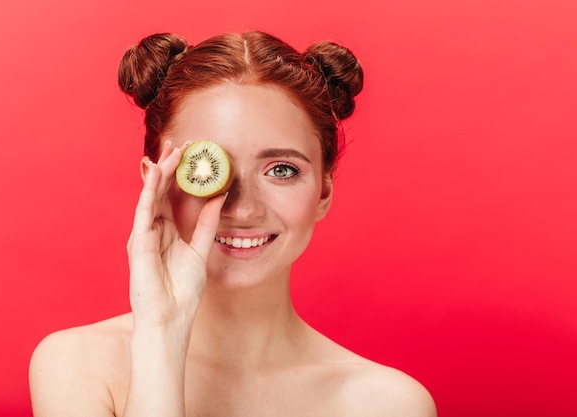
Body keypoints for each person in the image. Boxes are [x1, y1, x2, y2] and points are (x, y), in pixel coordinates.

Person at [29, 30, 436, 417]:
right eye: (207, 167)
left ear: (324, 192)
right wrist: (161, 333)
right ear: (156, 181)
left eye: (281, 169)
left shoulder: (386, 404)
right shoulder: (78, 365)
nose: (242, 210)